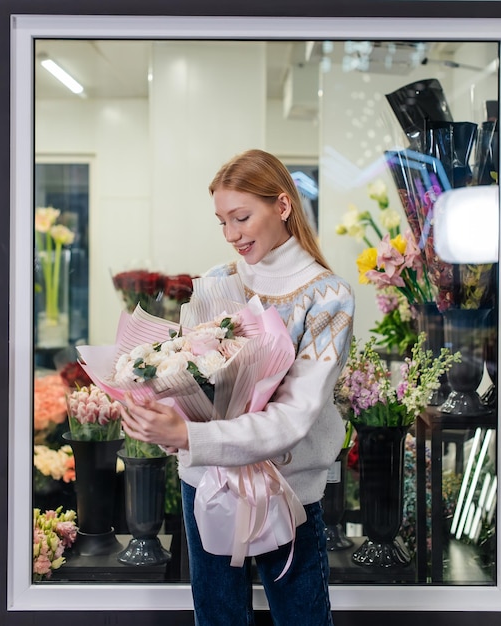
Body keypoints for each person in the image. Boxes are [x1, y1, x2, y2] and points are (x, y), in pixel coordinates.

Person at [121, 149, 355, 626]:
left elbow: (294, 416)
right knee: (217, 618)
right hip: (205, 481)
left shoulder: (329, 296)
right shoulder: (215, 281)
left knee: (301, 618)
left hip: (287, 488)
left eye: (242, 217)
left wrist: (191, 437)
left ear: (283, 206)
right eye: (221, 222)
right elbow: (189, 376)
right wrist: (156, 409)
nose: (231, 235)